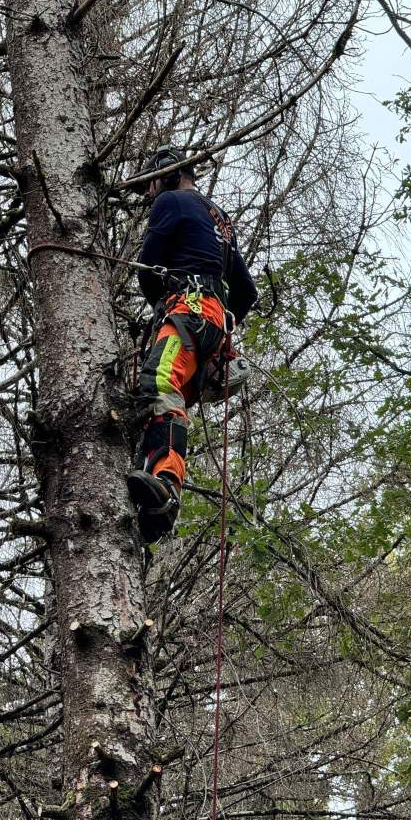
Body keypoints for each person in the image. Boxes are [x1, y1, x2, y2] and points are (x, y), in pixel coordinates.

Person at [125, 146, 258, 544]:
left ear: (166, 174)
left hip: (188, 309)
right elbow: (246, 293)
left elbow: (148, 270)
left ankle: (164, 485)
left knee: (159, 386)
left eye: (150, 184)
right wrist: (221, 328)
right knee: (166, 404)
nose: (150, 195)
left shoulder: (171, 200)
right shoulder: (220, 218)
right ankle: (153, 499)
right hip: (213, 321)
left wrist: (165, 303)